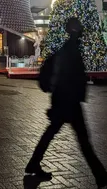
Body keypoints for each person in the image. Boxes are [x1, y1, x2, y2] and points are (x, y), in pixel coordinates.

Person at [25, 17, 107, 188]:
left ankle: (34, 163)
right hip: (69, 102)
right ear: (75, 30)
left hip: (63, 101)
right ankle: (100, 175)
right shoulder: (71, 50)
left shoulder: (67, 49)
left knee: (51, 134)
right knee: (83, 141)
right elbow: (71, 78)